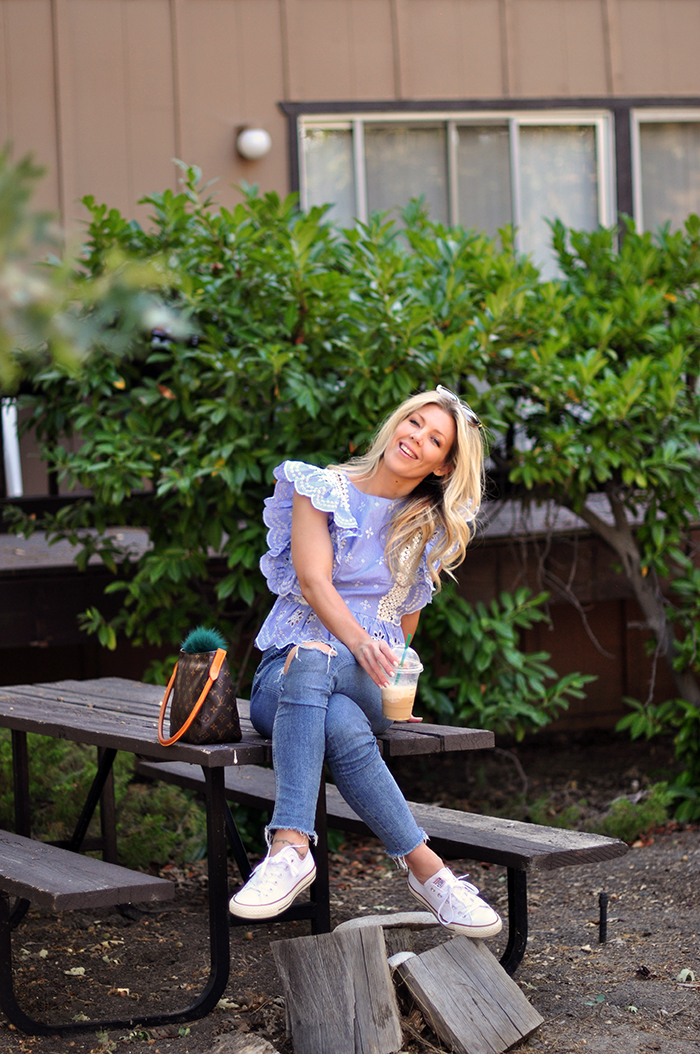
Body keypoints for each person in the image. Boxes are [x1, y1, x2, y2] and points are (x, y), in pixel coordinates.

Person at [229, 386, 502, 939]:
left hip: (369, 681)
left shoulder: (427, 522)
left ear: (444, 465)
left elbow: (405, 625)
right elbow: (312, 580)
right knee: (327, 694)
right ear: (397, 421)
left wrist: (400, 687)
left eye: (434, 439)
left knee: (332, 682)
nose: (415, 438)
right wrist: (354, 641)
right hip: (283, 677)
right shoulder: (320, 488)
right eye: (414, 422)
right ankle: (430, 872)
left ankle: (289, 848)